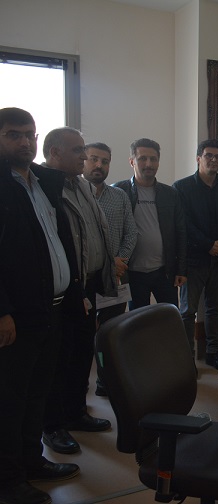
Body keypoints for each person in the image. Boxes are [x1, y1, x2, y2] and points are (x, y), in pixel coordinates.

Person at [0, 107, 80, 504]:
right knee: (10, 401)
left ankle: (32, 462)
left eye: (29, 134)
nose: (24, 142)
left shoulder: (42, 182)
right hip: (16, 316)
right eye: (13, 134)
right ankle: (8, 480)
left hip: (52, 307)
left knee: (37, 393)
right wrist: (1, 311)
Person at [42, 128, 116, 456]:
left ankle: (75, 412)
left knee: (82, 353)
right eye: (77, 151)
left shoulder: (82, 185)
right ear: (54, 152)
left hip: (90, 283)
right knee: (59, 358)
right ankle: (53, 426)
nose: (84, 157)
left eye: (84, 150)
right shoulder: (45, 187)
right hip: (64, 289)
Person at [173, 139, 218, 371]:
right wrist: (207, 245)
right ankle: (186, 360)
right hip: (193, 260)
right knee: (187, 312)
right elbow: (183, 224)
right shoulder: (182, 188)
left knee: (215, 309)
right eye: (208, 155)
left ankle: (213, 353)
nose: (213, 160)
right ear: (198, 158)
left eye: (217, 157)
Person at [82, 142, 137, 397]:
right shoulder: (73, 194)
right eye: (94, 159)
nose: (99, 165)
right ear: (84, 160)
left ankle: (105, 381)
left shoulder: (119, 196)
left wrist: (119, 261)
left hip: (115, 279)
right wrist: (108, 262)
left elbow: (131, 233)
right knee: (83, 336)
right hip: (84, 279)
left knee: (110, 333)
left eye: (104, 161)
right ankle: (79, 386)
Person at [114, 138, 187, 309]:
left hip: (164, 272)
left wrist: (181, 269)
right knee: (139, 320)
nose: (149, 164)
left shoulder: (170, 194)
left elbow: (181, 232)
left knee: (169, 317)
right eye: (142, 158)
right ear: (132, 161)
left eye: (153, 159)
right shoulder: (118, 191)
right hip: (133, 273)